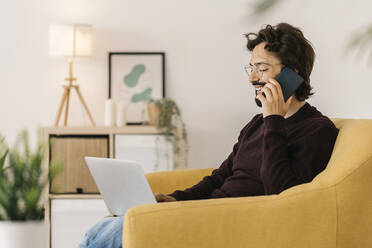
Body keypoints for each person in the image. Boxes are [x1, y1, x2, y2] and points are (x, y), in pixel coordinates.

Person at [78, 22, 339, 248]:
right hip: (210, 213)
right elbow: (221, 177)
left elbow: (282, 195)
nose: (252, 80)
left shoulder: (317, 129)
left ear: (292, 74)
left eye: (261, 68)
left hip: (237, 221)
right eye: (251, 69)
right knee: (109, 226)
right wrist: (175, 198)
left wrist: (273, 119)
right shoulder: (255, 124)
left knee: (117, 231)